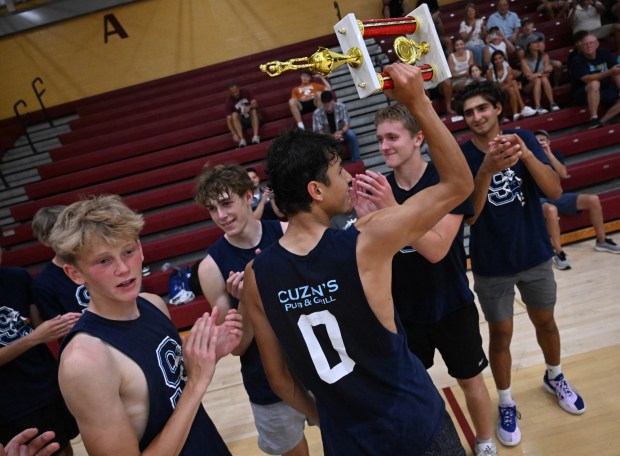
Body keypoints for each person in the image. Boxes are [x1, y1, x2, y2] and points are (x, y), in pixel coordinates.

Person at [242, 64, 473, 455]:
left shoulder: (255, 276)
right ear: (316, 190)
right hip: (413, 424)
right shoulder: (367, 241)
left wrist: (322, 414)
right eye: (338, 171)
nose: (349, 178)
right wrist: (418, 101)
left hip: (346, 440)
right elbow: (459, 183)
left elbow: (279, 380)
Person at [351, 103, 498, 456]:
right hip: (403, 310)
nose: (384, 146)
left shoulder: (446, 182)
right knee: (412, 386)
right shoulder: (380, 186)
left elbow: (436, 248)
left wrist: (390, 210)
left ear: (418, 138)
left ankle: (485, 441)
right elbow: (372, 250)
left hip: (450, 303)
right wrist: (364, 224)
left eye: (392, 137)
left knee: (469, 378)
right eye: (379, 139)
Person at [49, 195, 242, 455]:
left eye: (128, 252)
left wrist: (206, 357)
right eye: (104, 261)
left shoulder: (153, 304)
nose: (123, 268)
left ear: (140, 249)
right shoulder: (84, 361)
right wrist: (197, 383)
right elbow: (191, 389)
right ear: (75, 273)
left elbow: (169, 391)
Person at [455, 80, 586, 448]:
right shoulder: (462, 155)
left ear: (498, 108)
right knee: (500, 336)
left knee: (546, 321)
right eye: (469, 112)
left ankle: (555, 376)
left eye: (482, 108)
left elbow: (556, 192)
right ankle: (507, 401)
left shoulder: (525, 138)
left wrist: (526, 154)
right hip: (490, 263)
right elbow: (470, 218)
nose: (476, 117)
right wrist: (485, 170)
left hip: (534, 254)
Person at [195, 164, 310, 456]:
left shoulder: (287, 232)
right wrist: (246, 299)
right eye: (212, 209)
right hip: (266, 380)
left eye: (226, 203)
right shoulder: (211, 268)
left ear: (249, 196)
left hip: (315, 362)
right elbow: (237, 347)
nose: (221, 216)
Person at [0, 249, 81, 456]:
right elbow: (36, 335)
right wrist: (34, 337)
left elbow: (40, 327)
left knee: (63, 446)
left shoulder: (17, 277)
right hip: (12, 403)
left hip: (47, 384)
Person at [534, 129, 620, 269]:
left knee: (593, 199)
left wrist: (548, 153)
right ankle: (558, 252)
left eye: (542, 140)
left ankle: (602, 240)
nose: (540, 143)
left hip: (557, 195)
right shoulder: (529, 160)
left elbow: (563, 173)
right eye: (536, 141)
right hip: (539, 199)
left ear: (548, 142)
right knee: (551, 209)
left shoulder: (556, 155)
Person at [31, 206, 91, 320]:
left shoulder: (100, 259)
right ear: (45, 241)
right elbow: (61, 330)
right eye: (60, 235)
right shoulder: (44, 285)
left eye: (72, 230)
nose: (69, 237)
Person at [569, 32, 620, 128]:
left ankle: (601, 121)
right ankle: (593, 118)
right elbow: (586, 79)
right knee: (594, 83)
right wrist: (609, 72)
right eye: (585, 44)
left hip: (604, 90)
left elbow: (616, 70)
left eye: (591, 43)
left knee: (616, 71)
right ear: (581, 46)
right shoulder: (577, 60)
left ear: (597, 44)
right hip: (582, 93)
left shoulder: (604, 52)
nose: (588, 46)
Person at [312, 91, 361, 162]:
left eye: (329, 102)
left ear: (332, 101)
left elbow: (347, 124)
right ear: (322, 103)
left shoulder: (341, 107)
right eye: (325, 103)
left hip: (342, 133)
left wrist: (341, 132)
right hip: (327, 138)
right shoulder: (317, 114)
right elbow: (318, 133)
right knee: (319, 144)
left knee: (351, 134)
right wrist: (332, 136)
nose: (328, 105)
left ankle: (357, 161)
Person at [487, 50, 536, 120]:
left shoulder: (508, 69)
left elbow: (508, 85)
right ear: (493, 61)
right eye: (495, 59)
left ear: (503, 58)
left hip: (507, 91)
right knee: (513, 83)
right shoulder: (489, 72)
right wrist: (508, 83)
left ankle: (515, 114)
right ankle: (523, 107)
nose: (498, 61)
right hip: (496, 94)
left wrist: (507, 83)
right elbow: (493, 88)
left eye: (500, 58)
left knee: (512, 89)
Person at [514, 17, 563, 87]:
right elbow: (521, 57)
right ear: (521, 28)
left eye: (528, 24)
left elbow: (542, 51)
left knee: (558, 64)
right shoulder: (519, 41)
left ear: (532, 25)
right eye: (524, 26)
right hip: (529, 63)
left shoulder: (540, 35)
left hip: (541, 59)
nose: (527, 27)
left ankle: (556, 86)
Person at [520, 36, 561, 114]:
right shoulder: (524, 60)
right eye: (534, 42)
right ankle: (538, 106)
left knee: (543, 79)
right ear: (529, 46)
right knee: (538, 79)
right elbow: (529, 77)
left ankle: (552, 103)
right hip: (528, 85)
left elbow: (548, 72)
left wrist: (538, 74)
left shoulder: (545, 56)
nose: (537, 44)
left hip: (542, 80)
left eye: (537, 42)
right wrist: (541, 73)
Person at [442, 37, 476, 114]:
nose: (460, 46)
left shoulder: (469, 53)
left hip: (470, 77)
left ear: (464, 45)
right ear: (454, 47)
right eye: (457, 45)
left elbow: (472, 68)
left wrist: (470, 73)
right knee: (467, 85)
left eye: (461, 44)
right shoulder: (451, 57)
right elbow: (451, 75)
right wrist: (464, 74)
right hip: (457, 81)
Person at [225, 81, 261, 148]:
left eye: (236, 91)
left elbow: (255, 103)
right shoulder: (229, 101)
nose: (235, 94)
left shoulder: (246, 91)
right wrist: (234, 133)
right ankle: (242, 139)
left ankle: (256, 136)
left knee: (253, 110)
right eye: (233, 93)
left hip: (253, 117)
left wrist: (249, 107)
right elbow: (228, 119)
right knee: (234, 115)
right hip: (242, 121)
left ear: (238, 88)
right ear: (229, 92)